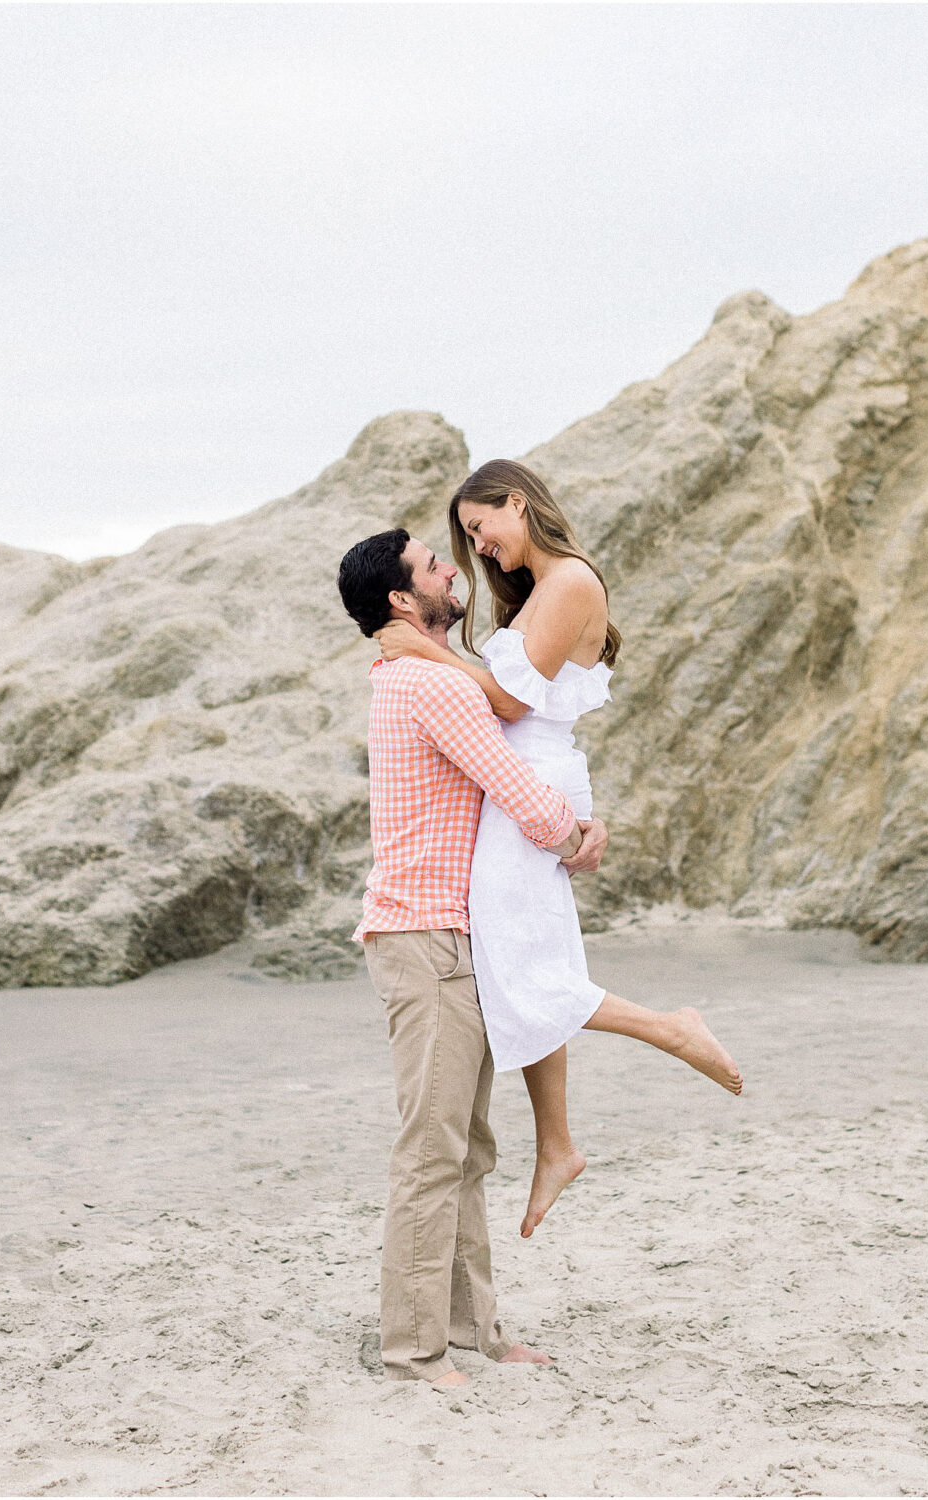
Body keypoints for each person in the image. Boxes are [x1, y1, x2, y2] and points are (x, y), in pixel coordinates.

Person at [375, 460, 743, 1241]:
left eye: (483, 527)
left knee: (523, 968)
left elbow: (510, 702)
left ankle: (671, 1030)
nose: (480, 547)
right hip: (533, 784)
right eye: (468, 539)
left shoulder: (570, 578)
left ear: (518, 501)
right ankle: (556, 1145)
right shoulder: (543, 590)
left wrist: (418, 646)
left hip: (530, 785)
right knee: (526, 966)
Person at [337, 526, 608, 1388]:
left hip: (446, 936)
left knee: (465, 1146)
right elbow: (516, 786)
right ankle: (414, 1350)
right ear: (400, 600)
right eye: (433, 566)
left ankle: (470, 1331)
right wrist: (577, 836)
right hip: (426, 938)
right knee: (432, 1148)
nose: (455, 568)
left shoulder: (407, 674)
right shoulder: (427, 682)